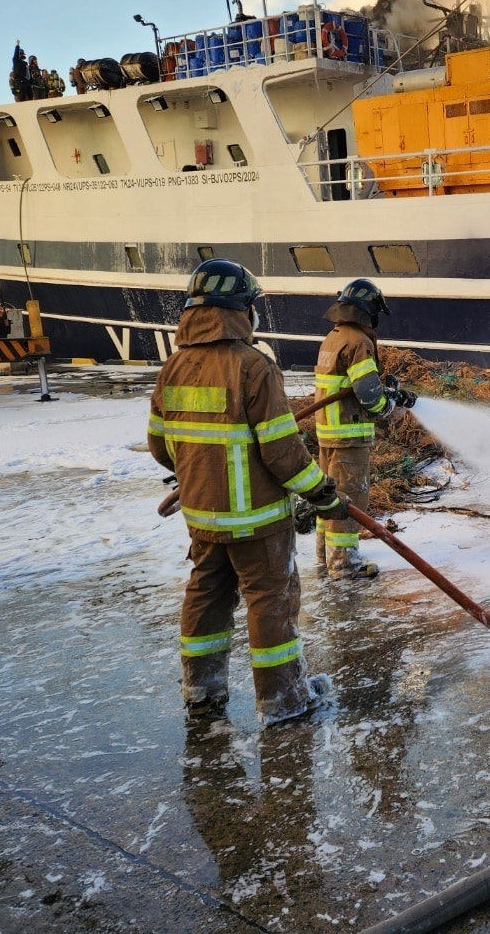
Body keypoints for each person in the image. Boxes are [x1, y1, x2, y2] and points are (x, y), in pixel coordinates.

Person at [149, 258, 343, 725]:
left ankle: (201, 690)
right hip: (257, 520)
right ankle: (283, 698)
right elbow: (283, 454)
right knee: (270, 600)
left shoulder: (173, 367)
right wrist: (323, 493)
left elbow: (160, 445)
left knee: (206, 596)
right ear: (240, 311)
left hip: (202, 517)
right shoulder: (253, 367)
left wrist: (199, 474)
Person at [313, 279, 401, 578]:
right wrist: (389, 406)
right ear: (369, 311)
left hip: (327, 431)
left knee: (327, 496)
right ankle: (345, 565)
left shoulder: (334, 338)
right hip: (349, 434)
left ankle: (325, 554)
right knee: (348, 498)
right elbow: (369, 395)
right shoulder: (358, 342)